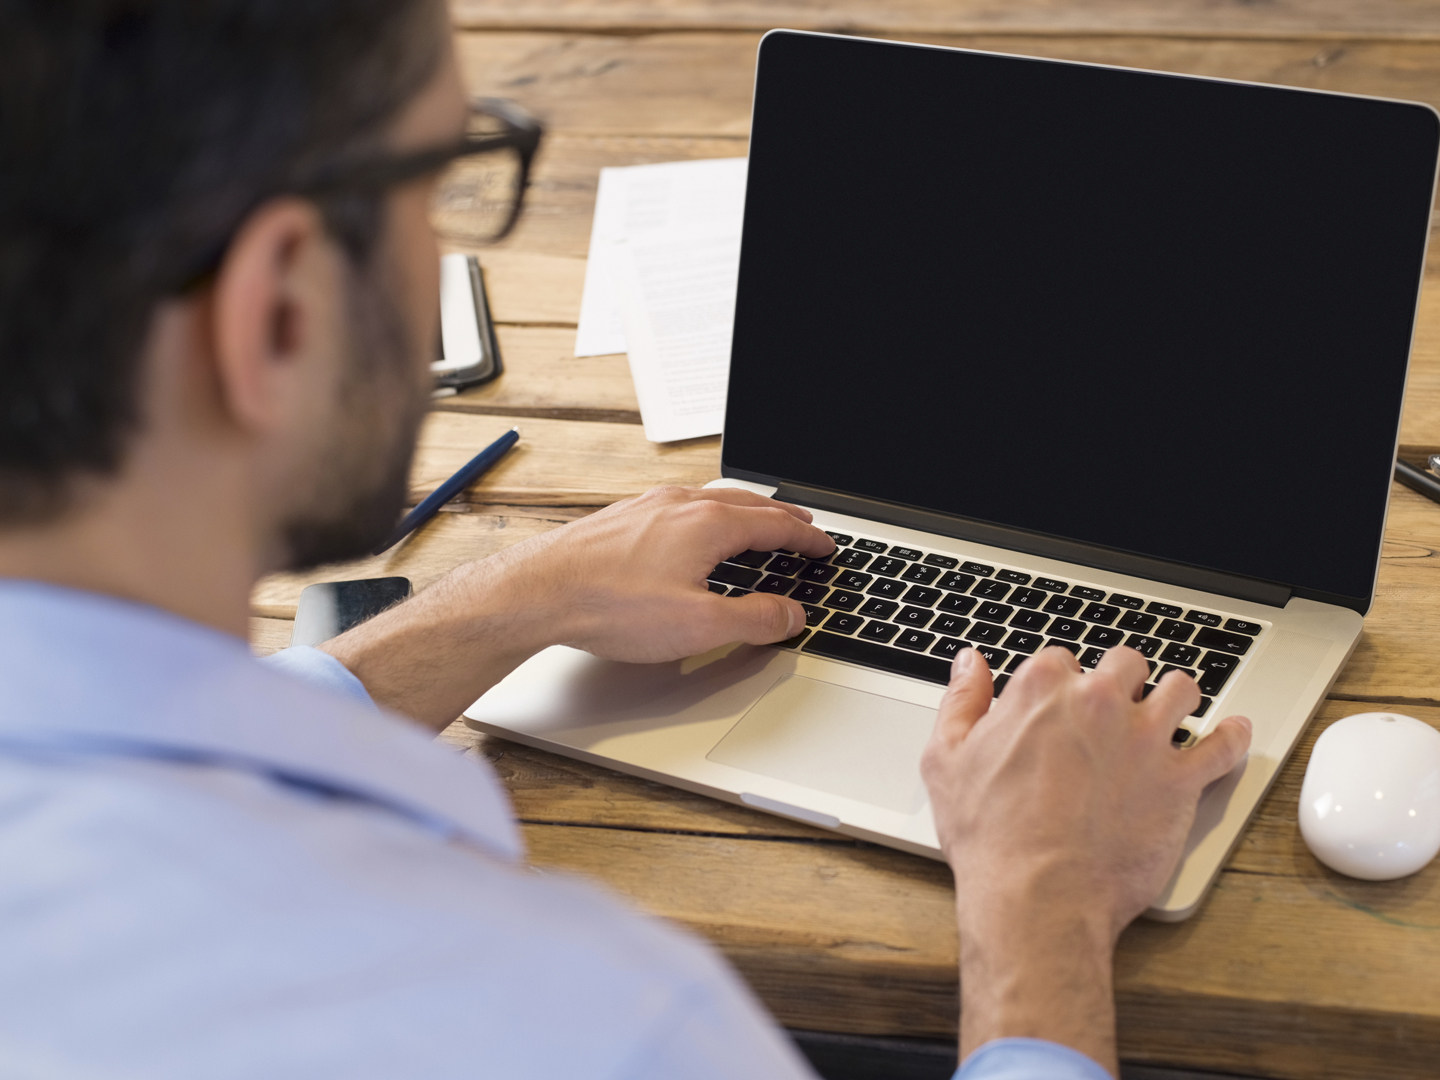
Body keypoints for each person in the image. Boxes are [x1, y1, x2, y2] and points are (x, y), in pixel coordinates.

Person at [0, 1, 1252, 1076]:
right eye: (438, 182)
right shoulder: (594, 1024)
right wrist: (1042, 905)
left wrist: (506, 599)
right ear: (279, 308)